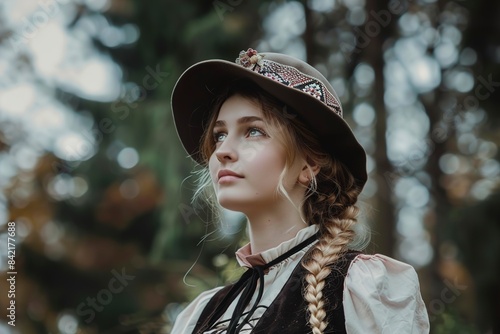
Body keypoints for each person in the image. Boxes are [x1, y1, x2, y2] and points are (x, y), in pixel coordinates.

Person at [170, 48, 429, 333]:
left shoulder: (361, 288)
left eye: (253, 131)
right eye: (220, 135)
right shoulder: (199, 315)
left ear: (309, 164)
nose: (223, 151)